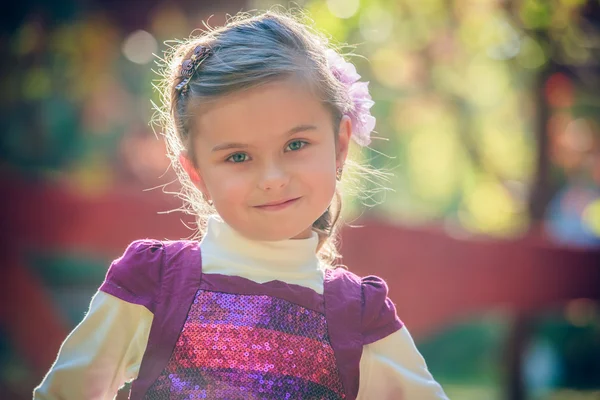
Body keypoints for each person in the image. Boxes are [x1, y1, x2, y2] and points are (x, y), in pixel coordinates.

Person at [34, 11, 448, 400]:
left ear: (340, 145)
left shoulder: (360, 317)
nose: (271, 178)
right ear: (197, 173)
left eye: (295, 144)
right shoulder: (153, 284)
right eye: (237, 156)